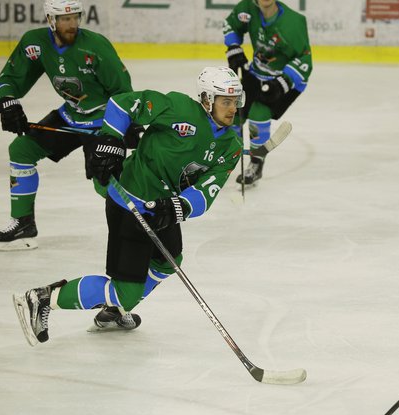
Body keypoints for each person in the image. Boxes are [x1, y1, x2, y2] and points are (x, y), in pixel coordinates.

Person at [12, 66, 244, 344]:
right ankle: (42, 298)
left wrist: (175, 208)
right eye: (225, 101)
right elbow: (122, 105)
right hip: (129, 200)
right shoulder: (178, 107)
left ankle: (112, 312)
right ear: (207, 99)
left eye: (235, 101)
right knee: (127, 292)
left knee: (169, 261)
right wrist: (110, 139)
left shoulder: (231, 145)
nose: (232, 108)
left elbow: (207, 191)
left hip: (162, 208)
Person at [0, 0, 139, 251]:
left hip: (103, 121)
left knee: (105, 180)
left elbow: (123, 91)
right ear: (50, 20)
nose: (71, 24)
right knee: (21, 151)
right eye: (64, 19)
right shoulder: (34, 43)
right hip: (70, 116)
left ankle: (136, 231)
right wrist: (7, 103)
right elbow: (8, 80)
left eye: (75, 18)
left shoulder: (95, 46)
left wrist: (126, 125)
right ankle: (24, 223)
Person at [223, 0, 312, 185]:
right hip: (256, 72)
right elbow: (231, 24)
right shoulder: (248, 9)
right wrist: (233, 48)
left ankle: (256, 162)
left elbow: (305, 60)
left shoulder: (292, 23)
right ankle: (228, 155)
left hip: (285, 79)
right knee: (233, 112)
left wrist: (282, 83)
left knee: (259, 112)